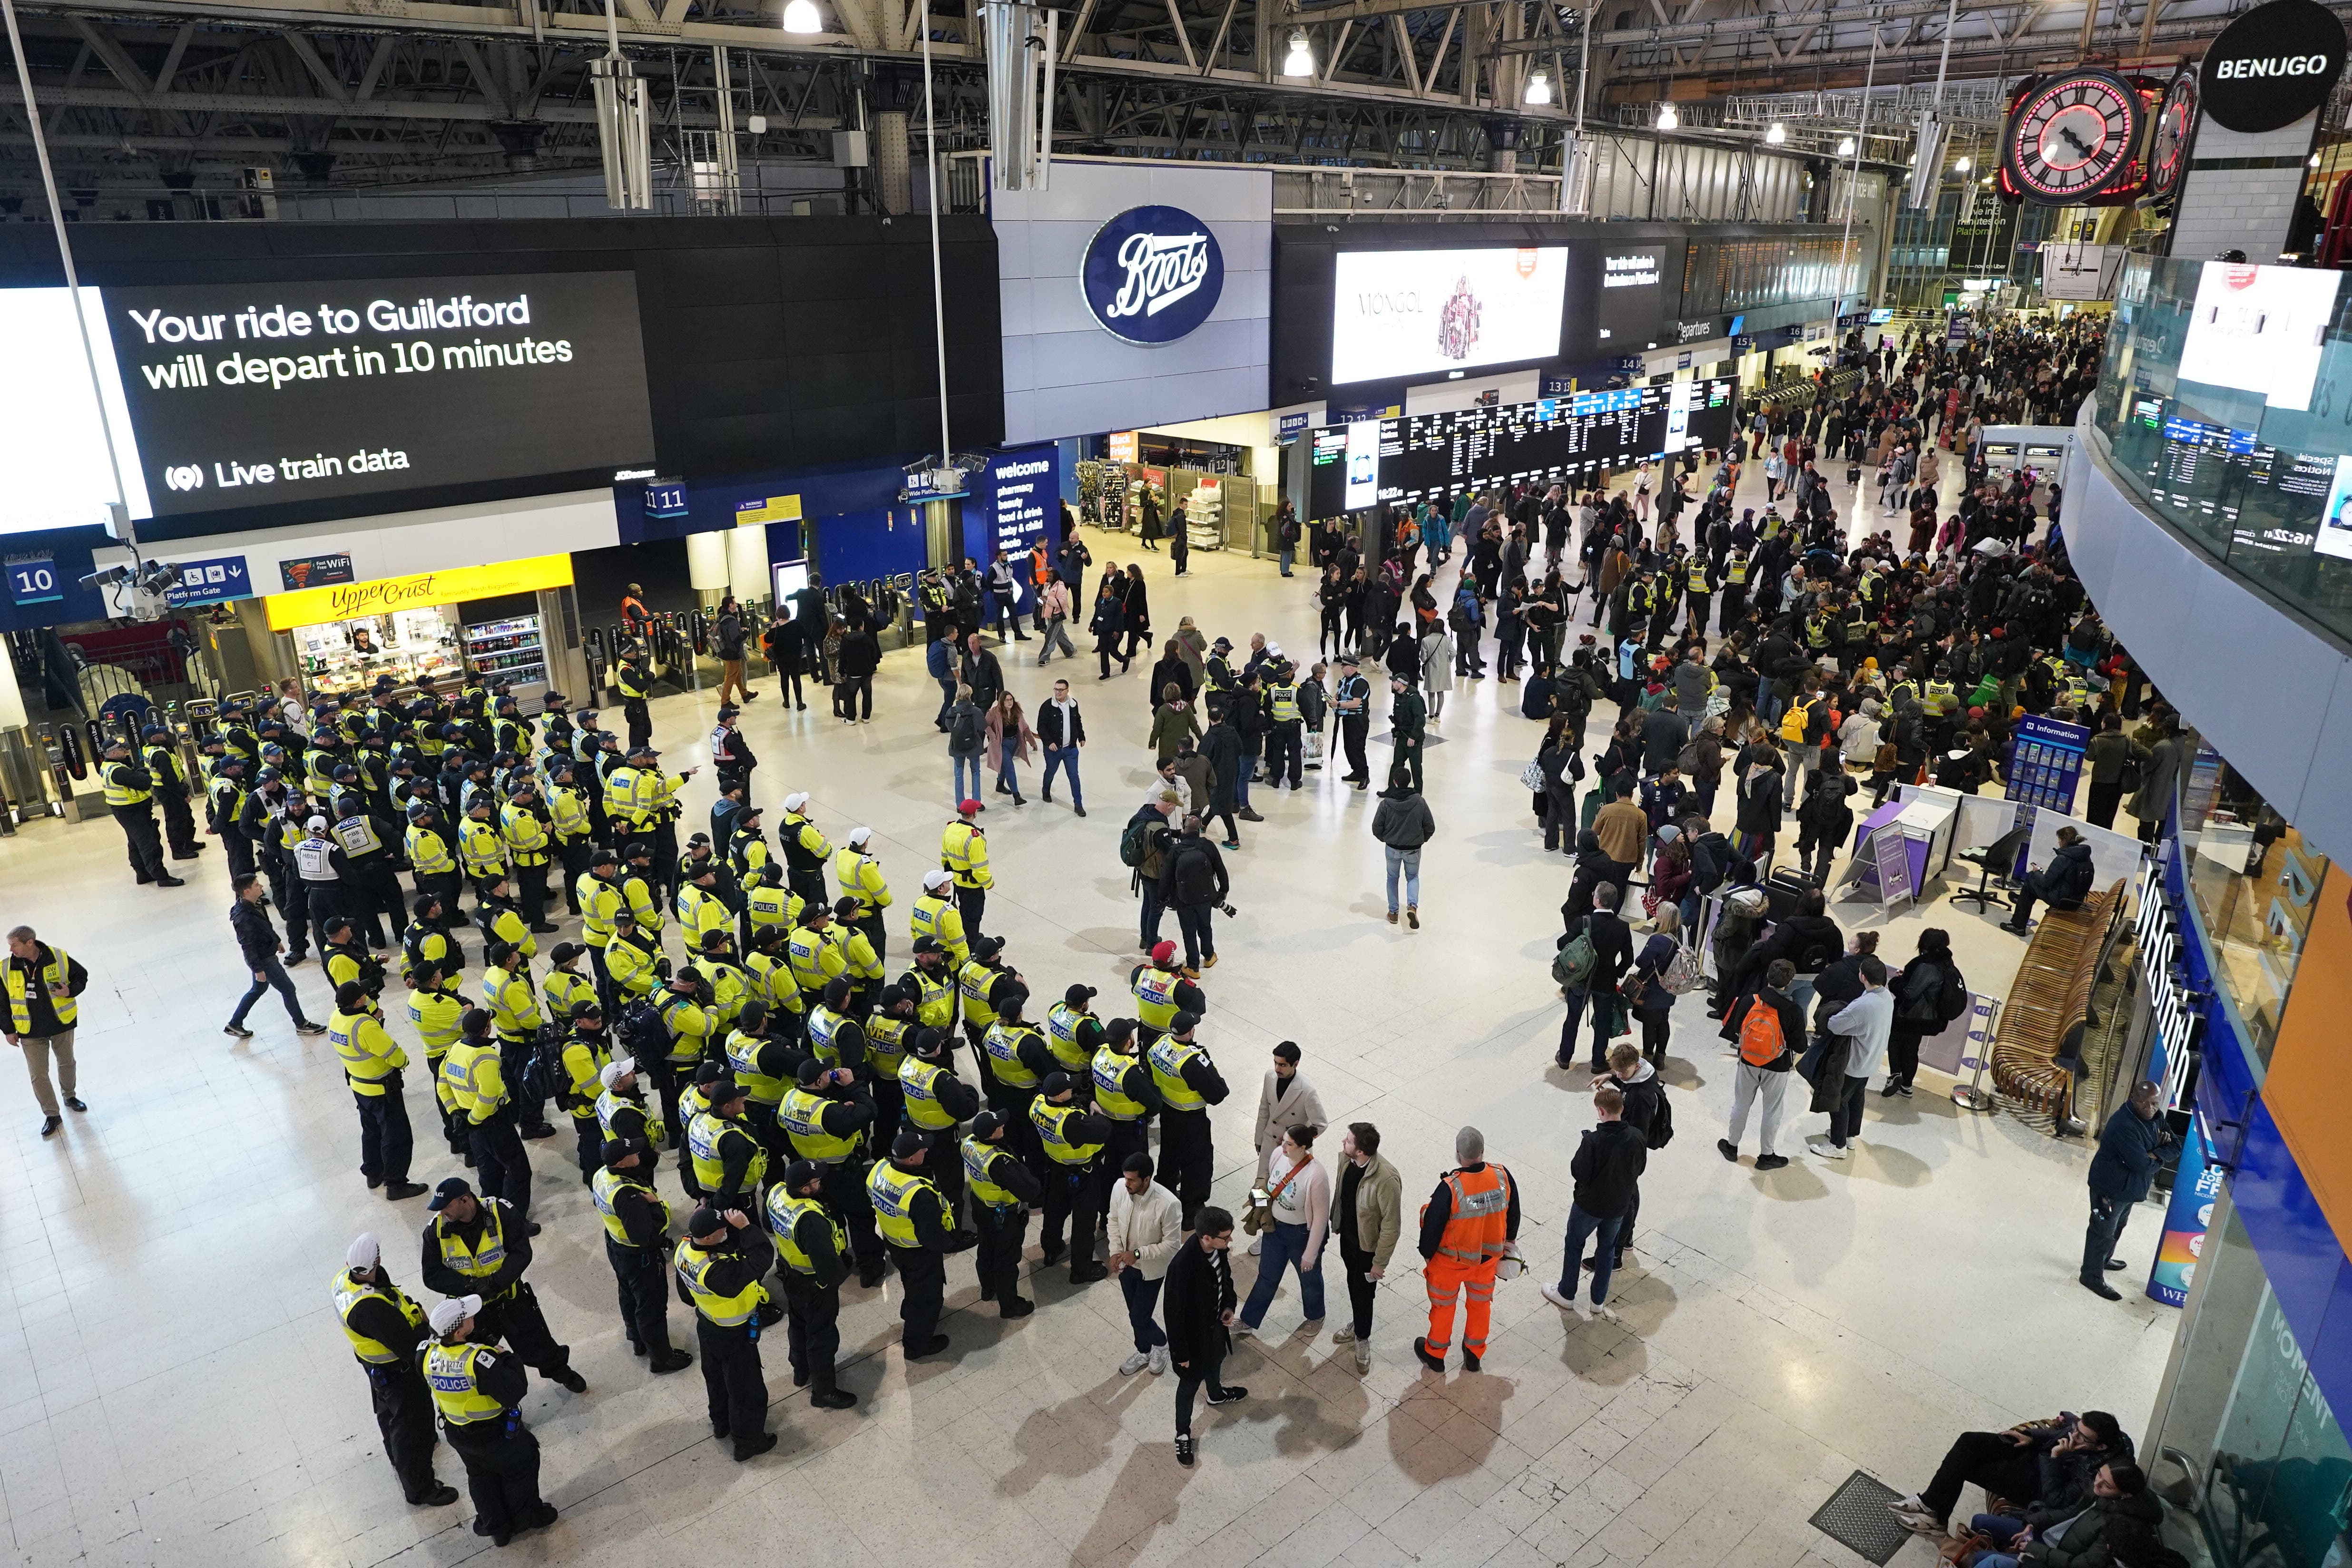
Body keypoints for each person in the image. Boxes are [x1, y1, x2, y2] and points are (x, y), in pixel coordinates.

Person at [418, 1294, 558, 1547]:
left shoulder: (427, 1355)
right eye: (469, 1317)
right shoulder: (479, 1360)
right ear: (460, 1331)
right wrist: (504, 1355)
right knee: (521, 1468)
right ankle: (527, 1517)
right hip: (494, 1432)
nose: (474, 1317)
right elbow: (515, 1389)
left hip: (458, 1432)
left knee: (481, 1477)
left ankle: (496, 1527)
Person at [332, 1233, 458, 1509]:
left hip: (375, 1365)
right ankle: (420, 1489)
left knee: (388, 1412)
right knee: (410, 1425)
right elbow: (410, 1345)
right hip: (398, 1370)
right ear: (377, 1260)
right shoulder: (370, 1308)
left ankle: (398, 1453)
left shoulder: (344, 1280)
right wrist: (428, 1329)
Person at [419, 1176, 585, 1388]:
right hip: (469, 1311)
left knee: (538, 1345)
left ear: (465, 1200)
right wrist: (471, 1287)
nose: (442, 1212)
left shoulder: (501, 1212)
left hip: (511, 1298)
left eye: (447, 1206)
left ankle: (563, 1374)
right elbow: (432, 1274)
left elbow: (521, 1252)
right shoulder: (436, 1231)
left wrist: (495, 1283)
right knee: (479, 1362)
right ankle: (501, 1407)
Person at [1890, 1412, 2138, 1541]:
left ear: (2101, 1447)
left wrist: (2055, 1457)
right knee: (1969, 1441)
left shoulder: (2097, 1475)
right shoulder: (2109, 1435)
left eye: (2082, 1437)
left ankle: (1933, 1513)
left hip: (2036, 1484)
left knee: (1967, 1465)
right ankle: (1932, 1508)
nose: (2074, 1436)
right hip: (2034, 1454)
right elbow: (2062, 1429)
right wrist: (2033, 1436)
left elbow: (2055, 1499)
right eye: (2077, 1430)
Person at [673, 1203, 779, 1460]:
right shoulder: (718, 1271)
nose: (726, 1231)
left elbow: (686, 1295)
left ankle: (721, 1423)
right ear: (709, 1238)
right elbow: (762, 1259)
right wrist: (746, 1228)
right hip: (733, 1334)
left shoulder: (685, 1249)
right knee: (746, 1389)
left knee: (716, 1378)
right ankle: (748, 1442)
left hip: (707, 1325)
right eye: (722, 1229)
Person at [1415, 1124, 1519, 1371]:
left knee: (1443, 1308)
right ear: (1483, 1151)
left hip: (1450, 1264)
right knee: (1481, 1306)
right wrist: (1509, 1243)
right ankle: (1474, 1354)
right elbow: (1513, 1212)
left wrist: (1428, 1256)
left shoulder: (1450, 1187)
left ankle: (1436, 1356)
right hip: (1487, 1262)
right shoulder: (1502, 1176)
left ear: (1458, 1154)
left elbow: (1432, 1228)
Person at [1539, 1084, 1646, 1322]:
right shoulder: (1637, 1137)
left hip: (1589, 1206)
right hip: (1618, 1205)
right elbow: (1640, 1169)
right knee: (1607, 1250)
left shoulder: (1594, 1142)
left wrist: (1584, 1145)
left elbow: (1579, 1172)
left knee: (1574, 1244)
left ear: (1601, 1112)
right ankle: (1598, 1301)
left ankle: (1566, 1293)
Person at [591, 1136, 693, 1374]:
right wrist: (655, 1205)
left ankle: (637, 1339)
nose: (638, 1154)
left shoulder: (602, 1176)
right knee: (652, 1308)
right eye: (633, 1154)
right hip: (640, 1257)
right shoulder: (628, 1196)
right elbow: (643, 1235)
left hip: (616, 1246)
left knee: (628, 1294)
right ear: (623, 1164)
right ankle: (661, 1358)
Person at [330, 980, 428, 1201]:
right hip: (382, 1090)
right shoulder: (365, 1026)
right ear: (358, 1002)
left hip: (359, 1085)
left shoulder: (336, 1018)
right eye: (364, 996)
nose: (367, 997)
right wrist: (404, 1061)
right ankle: (396, 1184)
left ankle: (374, 1174)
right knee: (397, 1136)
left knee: (371, 1131)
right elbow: (393, 1053)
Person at [1164, 1205, 1245, 1467]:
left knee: (1217, 1359)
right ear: (1207, 1238)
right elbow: (1173, 1314)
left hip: (1215, 1328)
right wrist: (1181, 1354)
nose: (1230, 1241)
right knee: (1188, 1387)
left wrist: (1229, 1307)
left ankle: (1216, 1394)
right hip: (1193, 1339)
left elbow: (1226, 1281)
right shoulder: (1182, 1267)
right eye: (1226, 1237)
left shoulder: (1218, 1252)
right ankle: (1183, 1433)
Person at [1235, 1122, 1330, 1338]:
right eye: (1284, 1141)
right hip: (1275, 1230)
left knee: (1309, 1279)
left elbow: (1321, 1220)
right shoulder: (1278, 1155)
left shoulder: (1316, 1176)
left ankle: (1316, 1315)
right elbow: (1269, 1184)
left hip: (1301, 1235)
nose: (1284, 1146)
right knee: (1267, 1276)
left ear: (1303, 1147)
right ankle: (1249, 1320)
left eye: (1290, 1144)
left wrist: (1310, 1253)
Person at [868, 1128, 955, 1358]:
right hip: (918, 1251)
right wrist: (948, 1243)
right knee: (927, 1296)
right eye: (921, 1149)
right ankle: (917, 1345)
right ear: (912, 1159)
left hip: (895, 1242)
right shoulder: (918, 1194)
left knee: (912, 1284)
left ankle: (910, 1311)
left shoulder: (881, 1169)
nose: (926, 1150)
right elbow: (931, 1236)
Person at [2082, 1080, 2169, 1300]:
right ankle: (2091, 1275)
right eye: (2145, 1104)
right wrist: (2159, 1154)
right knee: (2102, 1231)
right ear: (2133, 1099)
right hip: (2111, 1188)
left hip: (2130, 1189)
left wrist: (2153, 1154)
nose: (2150, 1109)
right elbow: (2141, 1165)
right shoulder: (2124, 1125)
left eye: (2155, 1104)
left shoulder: (2156, 1118)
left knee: (2119, 1225)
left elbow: (2175, 1145)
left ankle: (2103, 1259)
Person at [1329, 1122, 1402, 1374]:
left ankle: (1362, 1337)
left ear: (1360, 1151)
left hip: (1367, 1250)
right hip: (1349, 1241)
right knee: (1353, 1285)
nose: (1343, 1143)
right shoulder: (1348, 1162)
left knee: (1364, 1294)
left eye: (1348, 1141)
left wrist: (1380, 1262)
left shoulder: (1386, 1179)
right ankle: (1358, 1323)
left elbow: (1392, 1226)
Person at [5, 925, 90, 1138]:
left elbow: (82, 975)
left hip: (60, 1022)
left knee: (67, 1062)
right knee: (38, 1074)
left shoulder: (57, 957)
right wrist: (8, 1030)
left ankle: (70, 1096)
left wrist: (70, 991)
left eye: (14, 945)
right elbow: (1, 1002)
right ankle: (52, 1115)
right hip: (30, 1031)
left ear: (30, 942)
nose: (11, 950)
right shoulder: (7, 968)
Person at [1718, 959, 1803, 1171]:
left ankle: (1731, 1146)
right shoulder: (1793, 1010)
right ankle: (1767, 1156)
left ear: (1768, 976)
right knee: (1772, 1111)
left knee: (1741, 1104)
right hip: (1777, 1066)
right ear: (1790, 982)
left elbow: (1737, 1028)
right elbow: (1800, 1046)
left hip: (1748, 1061)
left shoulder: (1750, 1001)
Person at [1147, 1010, 1228, 1226]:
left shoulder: (1159, 1043)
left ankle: (1164, 1197)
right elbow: (1219, 1093)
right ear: (1192, 1031)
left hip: (1167, 1111)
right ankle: (1191, 1212)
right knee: (1197, 1163)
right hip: (1191, 1119)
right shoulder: (1193, 1061)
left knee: (1169, 1156)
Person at [1106, 1151, 1183, 1375]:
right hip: (1125, 1266)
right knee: (1135, 1313)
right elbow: (1113, 1219)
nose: (1126, 1183)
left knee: (1139, 1316)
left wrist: (1138, 1254)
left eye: (1132, 1180)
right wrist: (1115, 1252)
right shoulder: (1120, 1187)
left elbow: (1172, 1246)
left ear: (1147, 1179)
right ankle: (1144, 1350)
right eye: (1125, 1178)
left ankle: (1161, 1344)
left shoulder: (1168, 1204)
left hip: (1151, 1271)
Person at [1808, 954, 1891, 1160]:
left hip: (1855, 1062)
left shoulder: (1862, 1006)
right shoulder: (1886, 997)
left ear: (1862, 976)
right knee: (1857, 1097)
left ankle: (1838, 1146)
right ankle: (1850, 1135)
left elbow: (1835, 1025)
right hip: (1871, 1059)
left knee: (1839, 1102)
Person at [225, 873, 328, 1039]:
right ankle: (301, 1024)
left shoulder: (254, 904)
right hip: (264, 960)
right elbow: (248, 947)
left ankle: (235, 1024)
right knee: (288, 989)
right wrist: (258, 969)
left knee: (258, 990)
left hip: (266, 954)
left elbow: (265, 926)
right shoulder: (244, 918)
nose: (261, 887)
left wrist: (276, 940)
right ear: (247, 891)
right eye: (257, 885)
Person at [1884, 928, 1969, 1097]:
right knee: (1911, 1048)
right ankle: (1907, 1086)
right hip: (1930, 1017)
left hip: (1912, 1016)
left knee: (1895, 1042)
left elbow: (1909, 993)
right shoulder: (1946, 962)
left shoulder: (1926, 966)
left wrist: (1895, 981)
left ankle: (1895, 1077)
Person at [99, 737, 184, 888]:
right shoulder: (118, 771)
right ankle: (161, 876)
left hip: (128, 810)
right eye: (121, 750)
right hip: (131, 811)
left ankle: (143, 874)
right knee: (149, 843)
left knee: (135, 842)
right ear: (113, 753)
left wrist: (136, 769)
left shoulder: (110, 766)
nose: (125, 752)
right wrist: (139, 770)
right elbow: (145, 781)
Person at [1249, 1041, 1329, 1190]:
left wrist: (1298, 1139)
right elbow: (1264, 1109)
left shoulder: (1306, 1090)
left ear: (1295, 1064)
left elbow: (1321, 1124)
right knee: (1262, 1186)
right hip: (1269, 1142)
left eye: (1283, 1065)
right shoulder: (1270, 1077)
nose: (1277, 1069)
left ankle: (1277, 1214)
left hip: (1293, 1152)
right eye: (1276, 1063)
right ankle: (1260, 1212)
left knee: (1287, 1191)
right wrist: (1259, 1138)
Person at [1159, 817, 1228, 975]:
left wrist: (1162, 898)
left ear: (1184, 829)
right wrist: (1223, 891)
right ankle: (1209, 956)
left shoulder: (1176, 851)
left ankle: (1193, 966)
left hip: (1185, 900)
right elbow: (1220, 869)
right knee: (1205, 926)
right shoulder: (1207, 845)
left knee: (1189, 932)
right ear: (1198, 830)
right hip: (1206, 896)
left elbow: (1166, 878)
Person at [2003, 825, 2097, 935]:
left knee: (2031, 880)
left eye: (2059, 840)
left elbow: (2046, 882)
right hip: (2077, 900)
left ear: (2063, 840)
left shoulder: (2064, 858)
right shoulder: (2084, 856)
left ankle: (2018, 925)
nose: (2059, 844)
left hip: (2062, 901)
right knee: (2032, 887)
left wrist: (2036, 872)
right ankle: (2022, 901)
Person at [1372, 773, 1436, 929]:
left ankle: (1393, 913)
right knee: (1413, 877)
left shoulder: (1386, 804)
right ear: (1409, 782)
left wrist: (1387, 839)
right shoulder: (1419, 802)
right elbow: (1430, 827)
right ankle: (1412, 907)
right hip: (1413, 849)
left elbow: (1376, 828)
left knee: (1392, 878)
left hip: (1393, 848)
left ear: (1394, 782)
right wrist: (1420, 840)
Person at [1038, 677, 1087, 816]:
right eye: (1056, 689)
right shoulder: (1047, 706)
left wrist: (1081, 737)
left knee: (1074, 776)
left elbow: (1078, 721)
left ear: (1067, 690)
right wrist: (1049, 742)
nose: (1058, 692)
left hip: (1070, 749)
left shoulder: (1073, 704)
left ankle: (1078, 805)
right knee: (1051, 771)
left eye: (1061, 690)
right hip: (1053, 750)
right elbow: (1041, 727)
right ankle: (1046, 789)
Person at [985, 690, 1037, 807]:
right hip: (1001, 745)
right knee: (1010, 767)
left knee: (1004, 765)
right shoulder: (994, 712)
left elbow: (1025, 727)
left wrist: (1032, 741)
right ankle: (1017, 796)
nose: (1010, 702)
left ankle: (1000, 784)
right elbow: (986, 725)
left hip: (1014, 743)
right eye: (1007, 700)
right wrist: (992, 737)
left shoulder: (1016, 711)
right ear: (1002, 702)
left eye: (1011, 700)